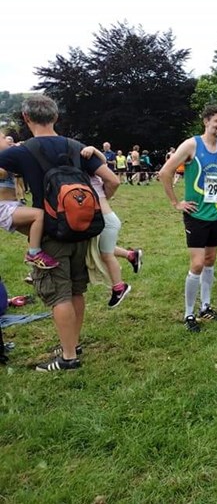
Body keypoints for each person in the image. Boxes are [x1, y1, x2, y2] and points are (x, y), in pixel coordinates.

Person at [0, 95, 120, 371]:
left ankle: (68, 357)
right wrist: (97, 206)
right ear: (55, 118)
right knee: (77, 290)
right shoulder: (77, 147)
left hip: (51, 235)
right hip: (83, 230)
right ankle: (73, 343)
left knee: (58, 295)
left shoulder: (22, 151)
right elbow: (112, 180)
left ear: (26, 118)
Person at [158, 105, 217, 332]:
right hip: (196, 214)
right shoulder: (191, 145)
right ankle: (189, 313)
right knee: (197, 263)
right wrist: (175, 202)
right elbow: (164, 172)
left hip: (216, 213)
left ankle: (205, 307)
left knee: (210, 261)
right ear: (206, 122)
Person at [81, 146, 143, 308]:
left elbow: (103, 161)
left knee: (106, 254)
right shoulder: (85, 176)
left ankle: (119, 287)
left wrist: (93, 149)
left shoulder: (92, 174)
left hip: (106, 221)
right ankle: (131, 255)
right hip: (105, 220)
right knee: (99, 248)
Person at [0, 130, 60, 270]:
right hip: (4, 208)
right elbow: (2, 174)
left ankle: (35, 273)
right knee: (39, 215)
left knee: (43, 237)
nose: (8, 140)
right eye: (3, 138)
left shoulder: (8, 157)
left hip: (14, 205)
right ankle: (33, 254)